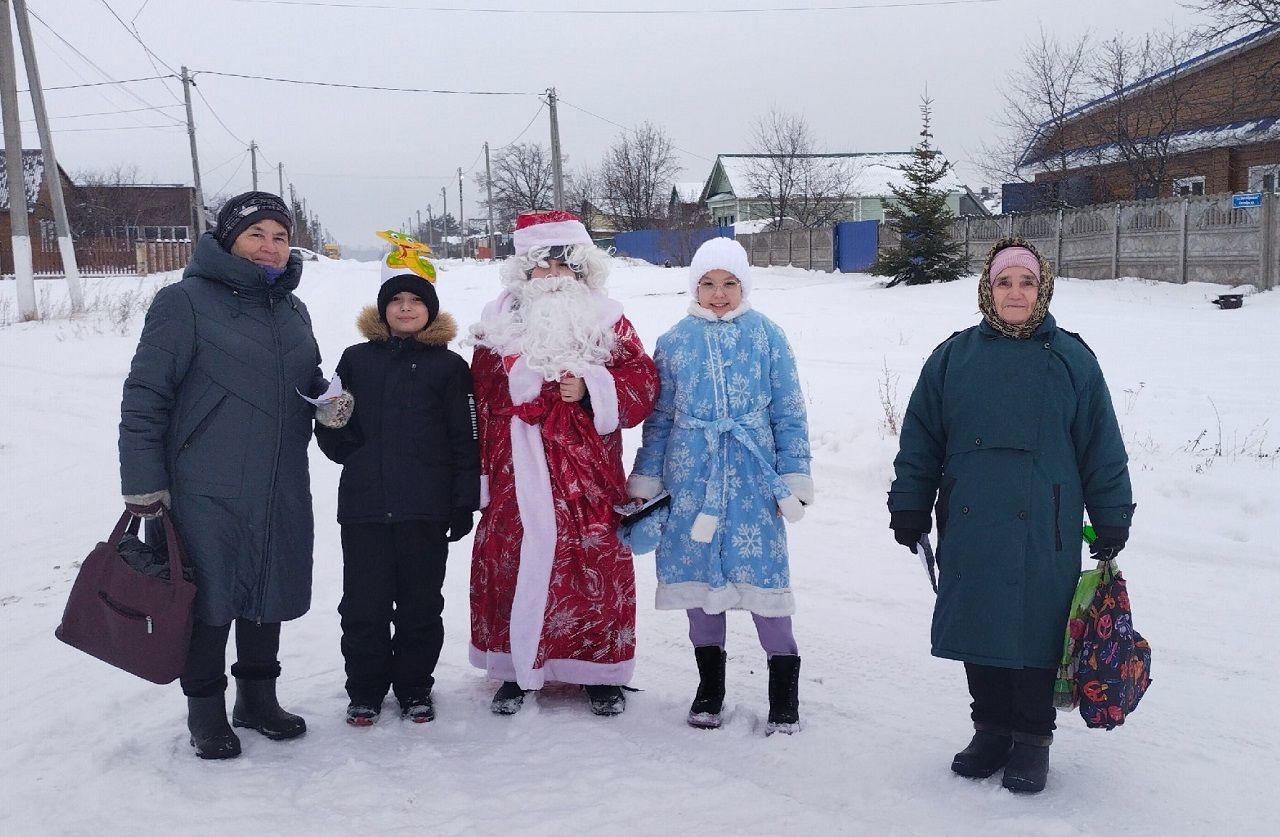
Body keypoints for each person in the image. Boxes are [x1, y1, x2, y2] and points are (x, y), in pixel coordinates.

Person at [887, 237, 1135, 793]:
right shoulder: (953, 357)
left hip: (1045, 522)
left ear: (1042, 287)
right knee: (981, 623)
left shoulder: (1072, 359)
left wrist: (1112, 513)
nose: (1015, 292)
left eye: (1026, 281)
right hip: (971, 521)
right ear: (988, 290)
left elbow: (1101, 445)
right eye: (1004, 282)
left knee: (1038, 631)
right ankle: (991, 730)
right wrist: (910, 502)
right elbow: (922, 439)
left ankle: (1032, 740)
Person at [119, 191, 335, 759]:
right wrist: (143, 480)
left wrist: (328, 400)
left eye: (280, 236)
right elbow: (146, 394)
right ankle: (206, 713)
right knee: (208, 600)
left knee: (267, 590)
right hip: (202, 487)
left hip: (278, 479)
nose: (270, 247)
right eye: (256, 234)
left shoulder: (292, 308)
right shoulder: (183, 301)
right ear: (228, 240)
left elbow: (304, 376)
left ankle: (257, 699)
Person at [467, 209, 658, 716]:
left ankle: (598, 671)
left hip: (589, 472)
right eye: (540, 266)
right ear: (525, 272)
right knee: (513, 558)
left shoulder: (608, 319)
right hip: (515, 468)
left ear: (581, 270)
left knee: (593, 561)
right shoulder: (496, 323)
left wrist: (593, 389)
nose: (551, 276)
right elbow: (480, 401)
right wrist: (483, 474)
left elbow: (642, 385)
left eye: (562, 265)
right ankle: (514, 668)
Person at [627, 237, 813, 735]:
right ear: (694, 287)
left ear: (743, 285)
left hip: (755, 480)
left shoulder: (768, 337)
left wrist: (794, 475)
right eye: (707, 284)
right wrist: (647, 478)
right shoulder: (673, 341)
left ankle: (784, 696)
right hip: (692, 477)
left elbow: (789, 412)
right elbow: (660, 420)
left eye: (729, 283)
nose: (718, 294)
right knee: (700, 583)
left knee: (766, 583)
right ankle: (710, 689)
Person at [314, 244, 479, 726]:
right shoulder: (357, 359)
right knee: (362, 607)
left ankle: (413, 688)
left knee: (420, 607)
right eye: (396, 301)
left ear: (430, 312)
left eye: (416, 301)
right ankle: (364, 690)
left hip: (423, 511)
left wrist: (461, 502)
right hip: (365, 507)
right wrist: (342, 444)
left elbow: (466, 438)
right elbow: (333, 416)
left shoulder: (449, 368)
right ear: (383, 311)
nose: (406, 308)